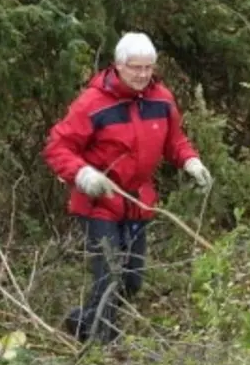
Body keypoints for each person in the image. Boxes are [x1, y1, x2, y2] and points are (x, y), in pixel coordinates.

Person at [43, 33, 212, 342]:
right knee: (108, 275)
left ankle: (83, 323)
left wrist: (190, 161)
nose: (143, 74)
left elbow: (175, 140)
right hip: (99, 203)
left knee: (132, 280)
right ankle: (100, 349)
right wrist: (83, 175)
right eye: (136, 68)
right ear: (119, 66)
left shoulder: (161, 99)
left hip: (137, 202)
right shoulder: (92, 103)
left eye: (149, 68)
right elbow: (58, 148)